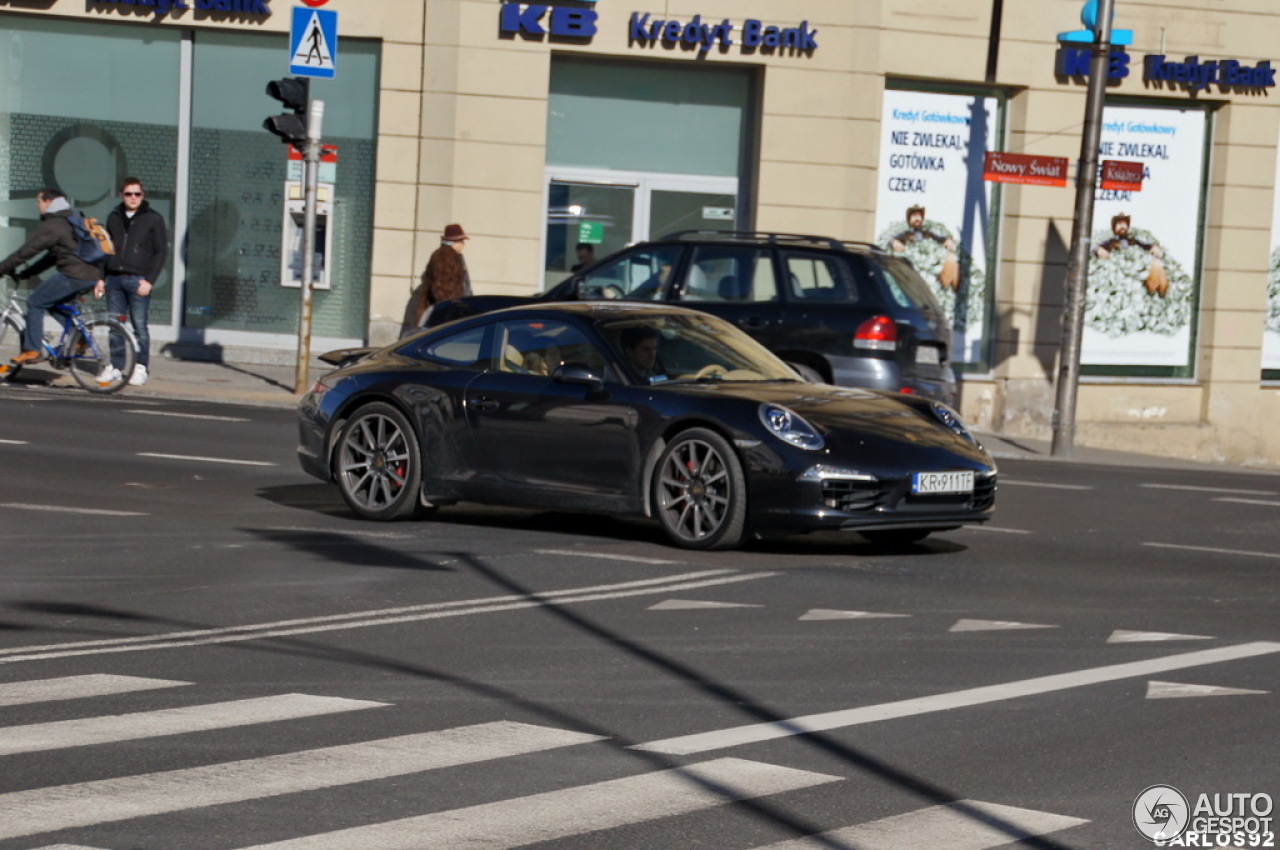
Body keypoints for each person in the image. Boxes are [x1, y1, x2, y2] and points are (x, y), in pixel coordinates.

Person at [0, 188, 104, 376]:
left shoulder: (54, 224)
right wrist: (28, 273)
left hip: (74, 274)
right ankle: (79, 338)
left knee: (35, 302)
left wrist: (2, 268)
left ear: (48, 202)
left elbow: (27, 251)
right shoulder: (72, 217)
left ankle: (32, 349)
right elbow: (52, 256)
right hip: (90, 274)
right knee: (52, 303)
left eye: (38, 202)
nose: (37, 206)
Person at [104, 177, 168, 386]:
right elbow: (106, 249)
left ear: (143, 195)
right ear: (122, 195)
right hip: (114, 278)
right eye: (129, 194)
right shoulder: (114, 217)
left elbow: (161, 252)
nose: (133, 198)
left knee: (140, 326)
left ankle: (140, 367)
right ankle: (115, 366)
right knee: (115, 325)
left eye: (137, 194)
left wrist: (149, 281)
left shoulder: (153, 218)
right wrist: (100, 278)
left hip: (138, 279)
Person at [402, 223, 472, 335]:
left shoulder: (449, 256)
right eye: (461, 241)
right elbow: (442, 289)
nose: (463, 244)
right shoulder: (445, 257)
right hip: (444, 314)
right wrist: (453, 310)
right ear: (455, 242)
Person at [1094, 213, 1167, 297]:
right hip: (1120, 274)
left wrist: (1154, 247)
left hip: (1137, 270)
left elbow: (1147, 245)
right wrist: (1099, 250)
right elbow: (1095, 248)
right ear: (1114, 228)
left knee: (1157, 266)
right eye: (1119, 224)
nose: (1122, 227)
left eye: (1124, 224)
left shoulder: (1134, 240)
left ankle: (1158, 293)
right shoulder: (1110, 242)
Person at [890, 204, 959, 289]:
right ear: (909, 219)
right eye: (914, 216)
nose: (917, 219)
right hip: (913, 268)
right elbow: (892, 240)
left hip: (931, 267)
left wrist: (947, 241)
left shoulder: (928, 233)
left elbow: (940, 238)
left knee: (951, 260)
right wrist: (895, 242)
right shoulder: (905, 234)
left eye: (919, 216)